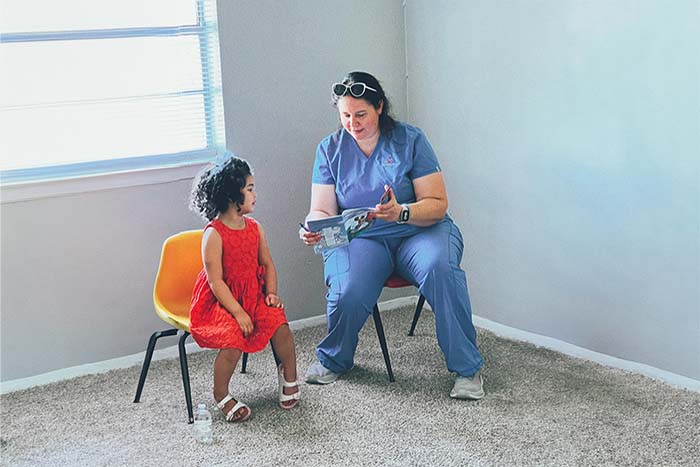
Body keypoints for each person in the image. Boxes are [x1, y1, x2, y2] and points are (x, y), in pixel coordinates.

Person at [299, 71, 484, 399]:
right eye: (345, 116)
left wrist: (402, 212)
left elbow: (437, 205)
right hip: (365, 238)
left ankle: (467, 370)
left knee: (441, 270)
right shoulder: (330, 149)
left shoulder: (410, 140)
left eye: (361, 115)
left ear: (379, 107)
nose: (353, 124)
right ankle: (335, 359)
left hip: (419, 230)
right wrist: (311, 227)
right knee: (349, 289)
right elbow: (323, 210)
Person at [189, 154, 300, 422]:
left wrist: (271, 293)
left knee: (279, 324)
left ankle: (290, 376)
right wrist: (238, 312)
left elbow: (268, 264)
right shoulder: (213, 234)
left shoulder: (255, 228)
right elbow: (216, 283)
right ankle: (221, 393)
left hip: (254, 295)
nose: (255, 195)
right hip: (223, 301)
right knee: (232, 340)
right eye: (250, 189)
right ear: (231, 195)